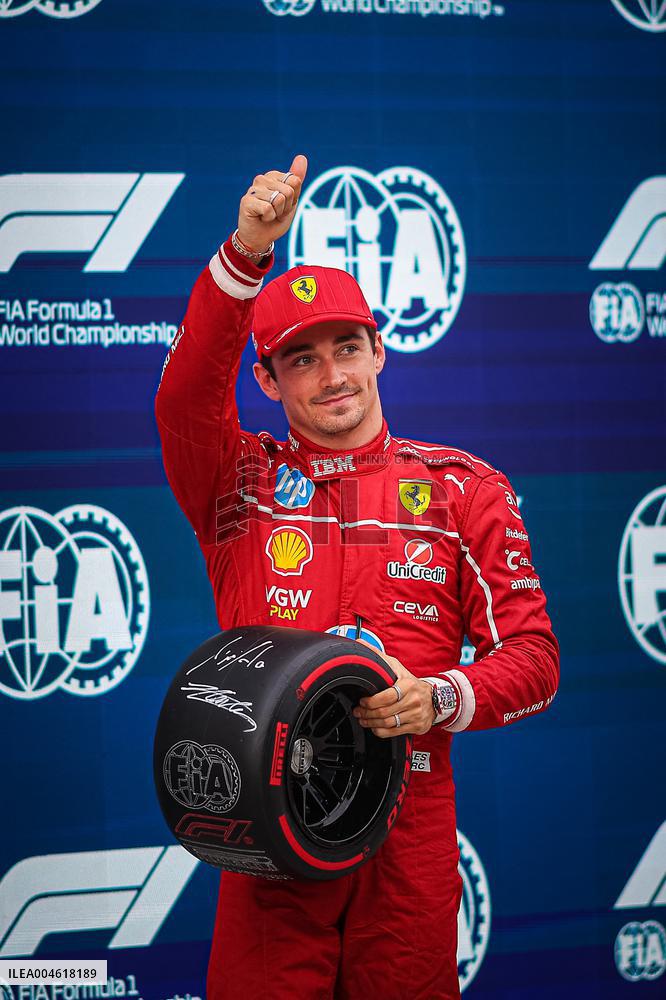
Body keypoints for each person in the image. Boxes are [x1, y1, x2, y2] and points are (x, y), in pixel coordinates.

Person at [155, 153, 559, 1000]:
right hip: (269, 843)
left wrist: (440, 697)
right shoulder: (237, 481)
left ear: (380, 352)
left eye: (347, 347)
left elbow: (534, 658)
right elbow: (187, 398)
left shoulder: (463, 488)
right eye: (302, 360)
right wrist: (244, 255)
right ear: (265, 380)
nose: (333, 375)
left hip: (407, 842)